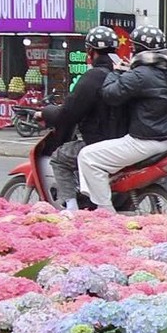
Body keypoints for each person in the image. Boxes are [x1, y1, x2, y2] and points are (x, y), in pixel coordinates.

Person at [76, 25, 167, 209]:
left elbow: (110, 94)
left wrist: (117, 71)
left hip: (146, 140)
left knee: (87, 156)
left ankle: (104, 212)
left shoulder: (140, 74)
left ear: (138, 48)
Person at [41, 26, 126, 207]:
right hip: (124, 142)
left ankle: (71, 208)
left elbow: (69, 112)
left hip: (98, 141)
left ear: (91, 51)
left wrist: (45, 112)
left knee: (59, 158)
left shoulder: (93, 77)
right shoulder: (124, 74)